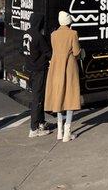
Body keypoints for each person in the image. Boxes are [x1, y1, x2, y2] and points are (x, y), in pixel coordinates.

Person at [45, 11, 82, 142]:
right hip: (69, 68)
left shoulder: (53, 35)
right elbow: (77, 52)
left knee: (58, 98)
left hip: (56, 68)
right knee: (70, 99)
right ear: (69, 22)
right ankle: (67, 132)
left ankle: (59, 132)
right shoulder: (73, 34)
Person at [22, 13, 51, 138]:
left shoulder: (26, 33)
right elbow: (48, 52)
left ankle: (41, 123)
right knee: (37, 99)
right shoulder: (39, 36)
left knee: (38, 97)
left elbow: (21, 50)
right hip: (39, 70)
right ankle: (34, 129)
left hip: (30, 69)